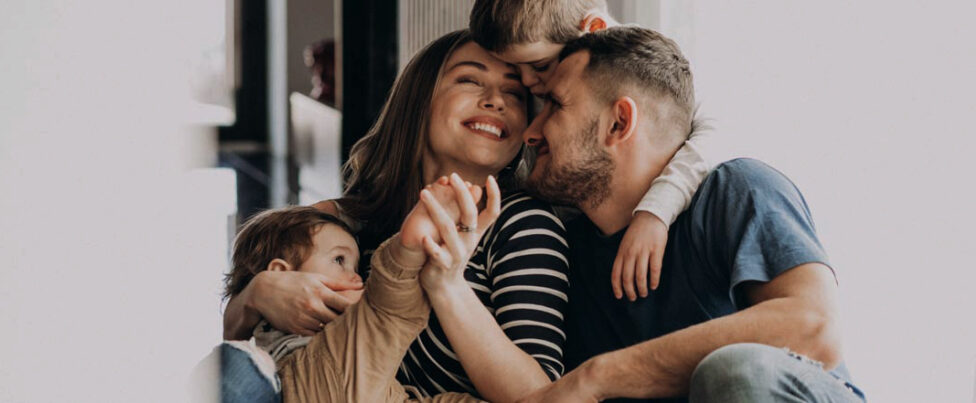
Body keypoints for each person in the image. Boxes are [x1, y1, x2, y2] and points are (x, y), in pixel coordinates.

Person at [515, 26, 866, 402]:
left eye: (554, 104)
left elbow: (814, 329)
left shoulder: (734, 191)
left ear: (618, 123)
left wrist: (597, 376)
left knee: (735, 372)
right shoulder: (560, 252)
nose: (530, 133)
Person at [222, 30, 570, 402]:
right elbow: (250, 347)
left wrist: (447, 285)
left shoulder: (523, 224)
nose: (496, 101)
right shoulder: (347, 221)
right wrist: (256, 296)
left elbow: (539, 395)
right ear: (419, 100)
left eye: (514, 94)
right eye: (470, 79)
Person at [470, 0, 715, 302]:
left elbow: (710, 136)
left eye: (539, 66)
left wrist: (654, 212)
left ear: (594, 30)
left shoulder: (650, 74)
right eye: (515, 70)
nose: (528, 82)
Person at [216, 188, 495, 402]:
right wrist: (410, 249)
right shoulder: (313, 355)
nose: (357, 277)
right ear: (282, 273)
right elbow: (387, 310)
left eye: (356, 266)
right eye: (339, 260)